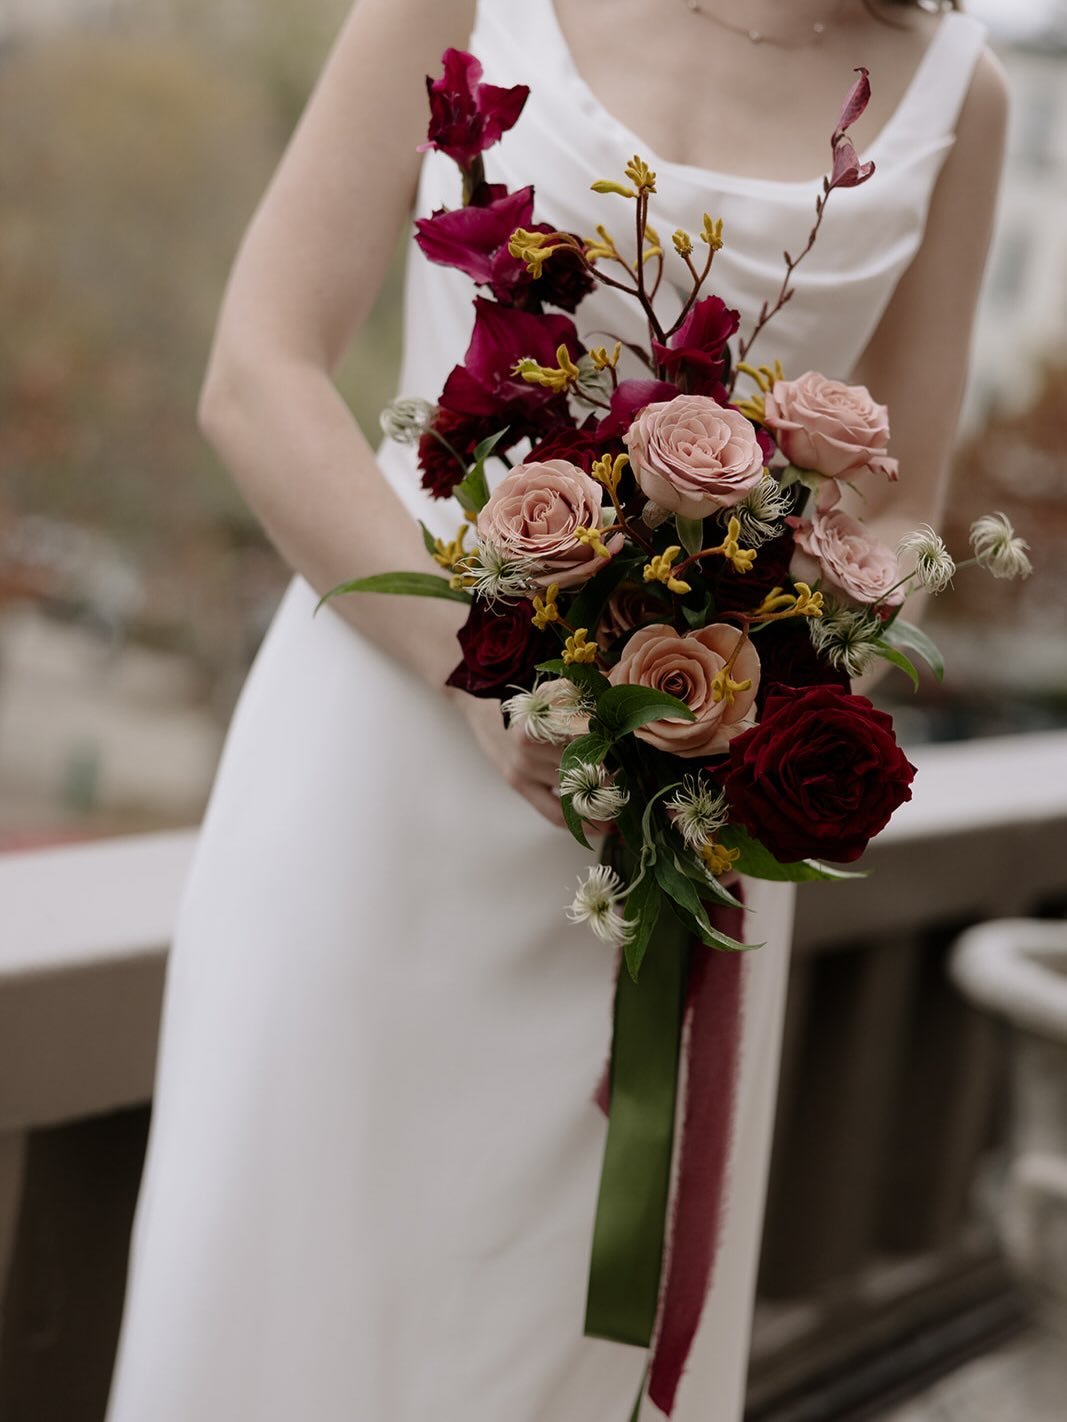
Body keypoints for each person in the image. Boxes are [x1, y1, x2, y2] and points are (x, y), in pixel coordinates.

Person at [105, 2, 1006, 1418]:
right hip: (377, 781)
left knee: (570, 1352)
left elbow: (906, 504)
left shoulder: (966, 89)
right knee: (298, 1298)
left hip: (686, 836)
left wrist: (753, 698)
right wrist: (480, 661)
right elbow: (257, 372)